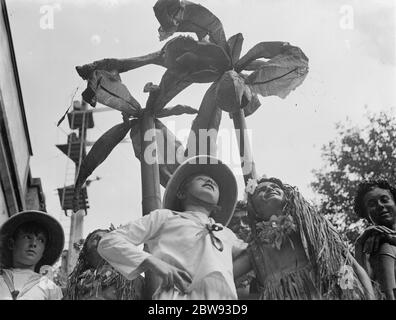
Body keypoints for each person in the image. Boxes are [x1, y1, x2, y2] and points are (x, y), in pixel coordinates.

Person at [97, 155, 247, 300]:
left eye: (214, 183)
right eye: (200, 179)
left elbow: (254, 254)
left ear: (217, 206)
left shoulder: (228, 234)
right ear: (181, 193)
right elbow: (109, 241)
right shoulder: (164, 218)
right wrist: (154, 262)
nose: (209, 180)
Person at [233, 176, 375, 300]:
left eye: (275, 186)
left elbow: (350, 262)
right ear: (254, 209)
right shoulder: (256, 248)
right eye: (261, 190)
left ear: (286, 196)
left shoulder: (314, 225)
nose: (270, 189)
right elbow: (226, 271)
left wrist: (370, 296)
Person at [0, 210, 64, 300]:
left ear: (43, 252)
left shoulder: (50, 288)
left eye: (41, 240)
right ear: (11, 244)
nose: (33, 243)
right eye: (27, 237)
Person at [65, 228, 144, 300]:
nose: (101, 239)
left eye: (106, 238)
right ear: (86, 251)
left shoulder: (133, 280)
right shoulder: (75, 286)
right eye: (95, 238)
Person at [354, 179, 396, 300]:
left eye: (384, 200)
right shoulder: (370, 246)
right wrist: (359, 244)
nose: (380, 206)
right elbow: (365, 290)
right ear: (366, 215)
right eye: (372, 204)